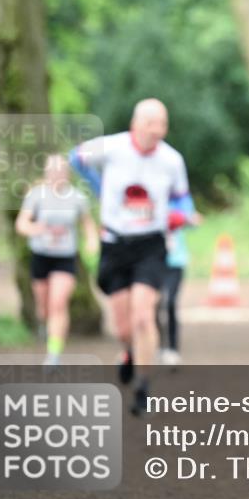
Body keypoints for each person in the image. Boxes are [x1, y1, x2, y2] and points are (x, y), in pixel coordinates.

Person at [70, 98, 195, 414]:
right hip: (115, 243)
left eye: (163, 124)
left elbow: (182, 201)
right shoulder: (112, 148)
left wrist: (179, 216)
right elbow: (76, 158)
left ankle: (143, 384)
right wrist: (100, 188)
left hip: (151, 245)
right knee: (124, 326)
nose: (158, 130)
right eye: (152, 123)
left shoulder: (172, 160)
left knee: (144, 315)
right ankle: (128, 350)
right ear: (135, 124)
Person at [14, 154, 99, 366]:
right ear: (46, 173)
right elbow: (21, 224)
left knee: (58, 304)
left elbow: (87, 225)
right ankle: (44, 324)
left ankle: (53, 354)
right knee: (44, 308)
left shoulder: (78, 198)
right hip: (41, 256)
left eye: (61, 171)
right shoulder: (36, 195)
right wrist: (36, 229)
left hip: (65, 258)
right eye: (53, 171)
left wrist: (91, 241)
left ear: (68, 174)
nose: (57, 175)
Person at [157, 206, 202, 366]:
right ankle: (159, 347)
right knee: (155, 305)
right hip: (154, 262)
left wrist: (185, 219)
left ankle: (173, 349)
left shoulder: (178, 200)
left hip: (175, 262)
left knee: (170, 302)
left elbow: (195, 220)